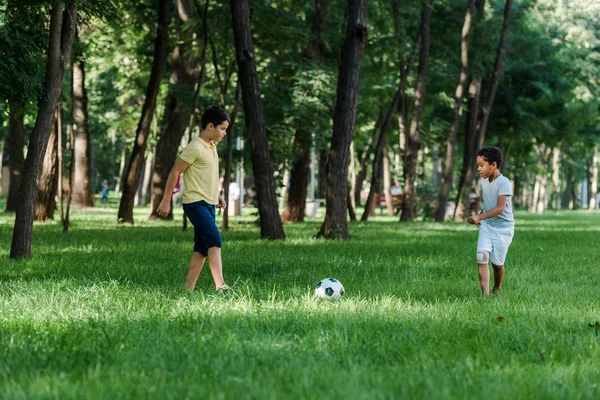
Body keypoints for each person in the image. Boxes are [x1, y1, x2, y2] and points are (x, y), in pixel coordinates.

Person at [157, 106, 232, 294]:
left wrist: (218, 195)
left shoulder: (212, 148)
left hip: (208, 204)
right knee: (214, 241)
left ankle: (188, 289)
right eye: (222, 129)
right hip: (195, 203)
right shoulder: (194, 148)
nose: (224, 133)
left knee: (201, 249)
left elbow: (209, 176)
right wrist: (166, 199)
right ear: (210, 126)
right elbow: (175, 171)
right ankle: (220, 286)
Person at [467, 146, 514, 296]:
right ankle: (485, 295)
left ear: (493, 165)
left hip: (503, 229)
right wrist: (482, 214)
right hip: (488, 226)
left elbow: (500, 208)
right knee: (482, 256)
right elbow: (488, 202)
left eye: (481, 165)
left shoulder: (504, 182)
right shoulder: (484, 182)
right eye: (478, 166)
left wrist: (479, 217)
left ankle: (497, 287)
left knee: (497, 265)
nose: (479, 169)